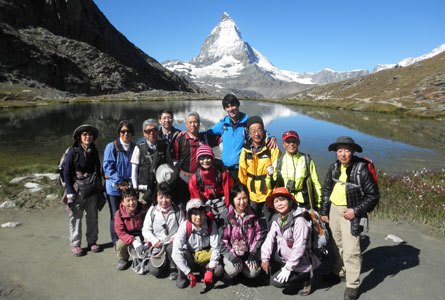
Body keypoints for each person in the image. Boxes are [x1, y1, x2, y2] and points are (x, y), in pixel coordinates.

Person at [320, 136, 379, 300]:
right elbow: (326, 191)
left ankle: (353, 285)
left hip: (350, 213)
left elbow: (373, 196)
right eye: (340, 150)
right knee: (337, 244)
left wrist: (355, 210)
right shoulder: (334, 167)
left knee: (352, 249)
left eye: (346, 150)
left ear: (353, 151)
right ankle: (339, 271)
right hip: (333, 210)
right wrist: (324, 211)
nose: (343, 154)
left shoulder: (361, 169)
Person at [261, 187, 320, 296]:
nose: (279, 204)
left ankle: (305, 277)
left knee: (276, 282)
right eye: (276, 201)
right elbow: (269, 239)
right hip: (287, 255)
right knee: (270, 253)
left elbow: (300, 247)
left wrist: (288, 268)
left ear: (290, 201)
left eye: (282, 200)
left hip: (301, 260)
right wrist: (265, 258)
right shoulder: (278, 219)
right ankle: (291, 272)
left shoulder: (300, 221)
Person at [206, 94, 276, 182]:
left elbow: (260, 132)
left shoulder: (247, 123)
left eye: (233, 105)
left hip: (241, 169)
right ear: (225, 109)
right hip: (225, 168)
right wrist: (191, 132)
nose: (231, 109)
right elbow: (208, 133)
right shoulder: (223, 124)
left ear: (238, 105)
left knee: (242, 195)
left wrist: (271, 137)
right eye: (227, 107)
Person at [62, 124, 104, 256]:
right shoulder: (73, 152)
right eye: (85, 134)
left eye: (90, 134)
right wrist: (69, 191)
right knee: (76, 217)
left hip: (92, 188)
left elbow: (98, 169)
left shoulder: (94, 150)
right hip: (77, 189)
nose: (88, 136)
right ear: (80, 137)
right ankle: (75, 244)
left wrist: (100, 186)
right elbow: (67, 172)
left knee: (92, 216)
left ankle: (92, 242)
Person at [238, 116, 280, 234]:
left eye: (259, 130)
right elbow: (242, 172)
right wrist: (244, 190)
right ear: (249, 134)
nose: (257, 134)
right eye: (253, 131)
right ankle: (252, 239)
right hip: (252, 192)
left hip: (267, 192)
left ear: (264, 131)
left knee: (270, 219)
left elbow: (276, 170)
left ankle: (272, 240)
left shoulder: (272, 149)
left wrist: (274, 190)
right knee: (252, 219)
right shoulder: (245, 151)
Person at [172, 198, 223, 289]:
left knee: (218, 270)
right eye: (195, 214)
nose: (199, 217)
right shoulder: (185, 226)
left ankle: (206, 272)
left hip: (205, 257)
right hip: (191, 257)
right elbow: (176, 252)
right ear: (189, 215)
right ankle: (184, 275)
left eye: (201, 213)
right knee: (182, 253)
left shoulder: (211, 224)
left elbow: (216, 247)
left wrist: (211, 269)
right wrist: (188, 272)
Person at [266, 130, 322, 209]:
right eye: (288, 142)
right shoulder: (278, 162)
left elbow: (316, 183)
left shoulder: (307, 160)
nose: (291, 144)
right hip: (285, 203)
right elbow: (271, 186)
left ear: (298, 143)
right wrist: (269, 176)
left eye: (294, 141)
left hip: (304, 203)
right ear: (283, 144)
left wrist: (318, 204)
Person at [173, 112, 220, 205]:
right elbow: (175, 160)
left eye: (195, 122)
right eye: (190, 122)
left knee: (201, 203)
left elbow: (222, 138)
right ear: (186, 124)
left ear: (199, 123)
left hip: (202, 178)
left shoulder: (205, 137)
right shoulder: (180, 139)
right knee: (183, 203)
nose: (192, 125)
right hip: (184, 178)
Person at [103, 120, 136, 246]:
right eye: (123, 131)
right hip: (114, 189)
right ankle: (116, 242)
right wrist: (120, 181)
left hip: (128, 188)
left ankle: (128, 239)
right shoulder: (112, 147)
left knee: (129, 213)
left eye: (128, 131)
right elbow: (107, 168)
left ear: (132, 133)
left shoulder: (134, 147)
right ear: (119, 133)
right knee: (115, 215)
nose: (125, 134)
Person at [219, 184, 262, 280]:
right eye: (238, 199)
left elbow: (259, 234)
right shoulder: (226, 215)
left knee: (253, 273)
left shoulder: (253, 213)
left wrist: (253, 253)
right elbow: (222, 241)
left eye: (245, 198)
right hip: (232, 252)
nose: (242, 202)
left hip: (248, 252)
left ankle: (242, 269)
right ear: (232, 199)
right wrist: (232, 256)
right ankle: (229, 273)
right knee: (234, 269)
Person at [142, 182, 185, 279]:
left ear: (171, 197)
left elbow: (183, 229)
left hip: (172, 244)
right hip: (158, 245)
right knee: (155, 272)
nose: (164, 201)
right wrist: (154, 240)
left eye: (167, 197)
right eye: (160, 197)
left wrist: (175, 237)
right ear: (156, 198)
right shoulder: (152, 210)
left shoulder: (178, 211)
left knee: (171, 248)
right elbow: (145, 230)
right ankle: (163, 263)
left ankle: (173, 267)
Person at [188, 145, 233, 224]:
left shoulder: (222, 174)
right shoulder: (195, 179)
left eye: (208, 157)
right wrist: (202, 212)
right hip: (206, 206)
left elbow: (228, 193)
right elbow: (196, 199)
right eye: (201, 158)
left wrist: (229, 209)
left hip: (222, 205)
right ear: (198, 161)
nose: (205, 161)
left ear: (212, 158)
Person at [131, 119, 171, 203]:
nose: (152, 133)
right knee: (143, 212)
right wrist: (135, 186)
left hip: (160, 188)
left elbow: (169, 166)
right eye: (148, 131)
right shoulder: (139, 148)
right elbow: (134, 169)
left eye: (154, 130)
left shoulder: (165, 146)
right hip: (144, 188)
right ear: (144, 133)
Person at [114, 188, 148, 270]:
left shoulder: (145, 210)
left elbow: (149, 227)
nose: (131, 203)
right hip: (128, 237)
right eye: (128, 200)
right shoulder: (119, 214)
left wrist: (147, 242)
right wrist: (134, 241)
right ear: (122, 202)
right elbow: (121, 233)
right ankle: (123, 258)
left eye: (133, 199)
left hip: (143, 235)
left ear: (137, 199)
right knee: (120, 244)